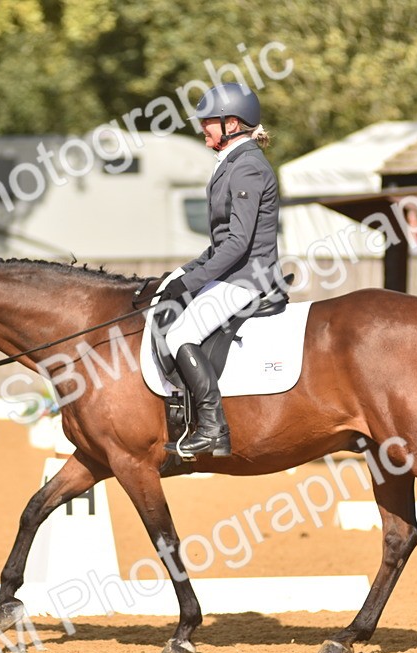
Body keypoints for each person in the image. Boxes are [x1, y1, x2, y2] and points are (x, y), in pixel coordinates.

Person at [156, 82, 281, 458]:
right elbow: (219, 243)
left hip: (248, 278)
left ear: (232, 124)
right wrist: (182, 274)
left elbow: (238, 243)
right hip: (235, 272)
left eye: (208, 121)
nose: (202, 128)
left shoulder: (247, 167)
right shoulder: (232, 163)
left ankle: (213, 428)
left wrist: (193, 282)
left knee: (180, 333)